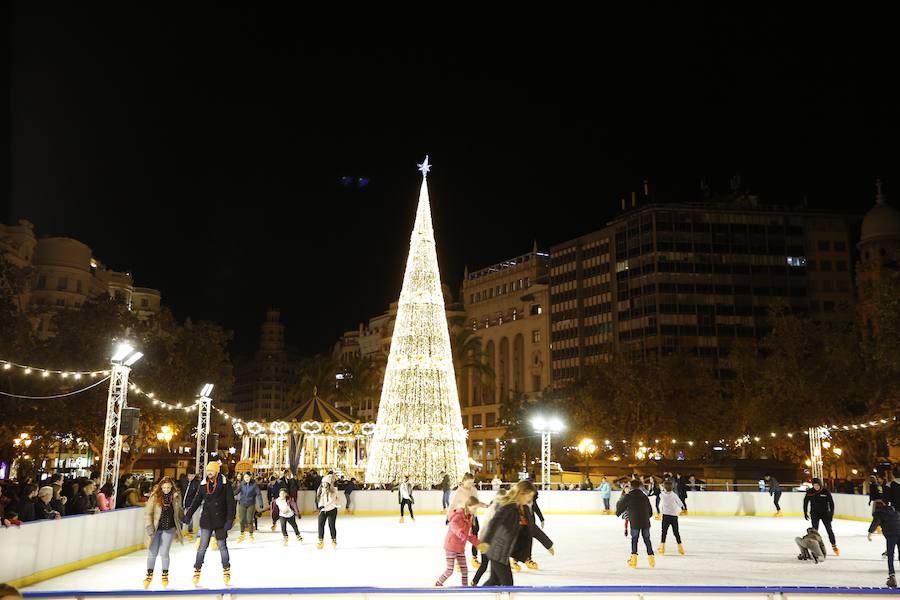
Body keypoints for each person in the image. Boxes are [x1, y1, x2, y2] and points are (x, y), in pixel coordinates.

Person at [183, 462, 235, 586]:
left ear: (217, 471)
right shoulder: (203, 484)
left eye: (211, 471)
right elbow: (196, 501)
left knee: (222, 546)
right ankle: (197, 570)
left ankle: (226, 570)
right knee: (202, 547)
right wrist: (188, 515)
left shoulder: (225, 484)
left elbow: (231, 503)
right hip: (206, 520)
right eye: (208, 471)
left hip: (220, 521)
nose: (209, 473)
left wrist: (229, 520)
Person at [480, 480, 538, 586]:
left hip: (503, 552)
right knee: (508, 585)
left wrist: (547, 543)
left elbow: (532, 529)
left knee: (494, 580)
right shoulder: (509, 507)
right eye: (529, 496)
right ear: (522, 493)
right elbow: (494, 523)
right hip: (498, 551)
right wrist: (485, 542)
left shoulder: (520, 508)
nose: (530, 499)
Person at [435, 496, 488, 587]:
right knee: (450, 570)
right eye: (474, 508)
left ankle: (465, 587)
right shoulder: (458, 515)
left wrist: (479, 544)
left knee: (464, 570)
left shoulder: (470, 517)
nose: (475, 510)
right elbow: (453, 525)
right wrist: (460, 533)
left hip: (460, 547)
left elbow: (470, 535)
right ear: (469, 506)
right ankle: (438, 584)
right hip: (451, 546)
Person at [143, 477, 183, 589]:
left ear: (172, 487)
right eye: (164, 487)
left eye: (168, 488)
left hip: (169, 528)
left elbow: (178, 511)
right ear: (160, 487)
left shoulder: (175, 497)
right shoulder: (155, 497)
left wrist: (180, 524)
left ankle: (165, 575)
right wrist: (149, 526)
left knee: (164, 552)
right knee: (152, 552)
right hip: (155, 529)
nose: (166, 489)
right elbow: (148, 513)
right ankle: (149, 575)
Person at [449, 473, 488, 567]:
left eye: (472, 482)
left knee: (474, 536)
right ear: (463, 481)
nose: (471, 484)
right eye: (469, 482)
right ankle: (458, 561)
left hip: (473, 517)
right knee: (461, 539)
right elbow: (452, 505)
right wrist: (449, 517)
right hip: (463, 518)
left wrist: (485, 505)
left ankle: (474, 558)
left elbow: (476, 502)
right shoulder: (459, 492)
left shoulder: (473, 489)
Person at [509, 490, 554, 572]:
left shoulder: (529, 503)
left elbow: (536, 510)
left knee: (528, 542)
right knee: (519, 543)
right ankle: (515, 560)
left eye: (532, 497)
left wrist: (548, 545)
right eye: (529, 496)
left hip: (529, 524)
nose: (531, 499)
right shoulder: (513, 507)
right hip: (519, 527)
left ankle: (527, 559)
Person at [617, 478, 655, 568]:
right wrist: (646, 517)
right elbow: (650, 511)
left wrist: (618, 512)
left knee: (634, 539)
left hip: (635, 521)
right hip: (645, 522)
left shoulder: (629, 496)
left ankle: (633, 560)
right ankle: (651, 560)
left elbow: (621, 506)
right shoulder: (644, 496)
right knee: (647, 539)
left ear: (631, 486)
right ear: (639, 486)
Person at [471, 490, 506, 586]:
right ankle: (475, 583)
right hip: (487, 541)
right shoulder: (494, 509)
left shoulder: (496, 508)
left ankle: (474, 582)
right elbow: (486, 526)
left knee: (487, 566)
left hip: (489, 541)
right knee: (486, 566)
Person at [869, 499, 900, 588]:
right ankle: (892, 577)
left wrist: (869, 533)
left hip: (891, 536)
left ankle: (892, 577)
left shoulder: (880, 513)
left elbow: (875, 523)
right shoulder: (895, 511)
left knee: (890, 555)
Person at [804, 477, 839, 556]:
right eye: (814, 485)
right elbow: (805, 502)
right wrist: (805, 513)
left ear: (820, 485)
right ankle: (816, 548)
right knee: (815, 532)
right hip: (814, 514)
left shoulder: (825, 491)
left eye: (817, 485)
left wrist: (831, 514)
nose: (816, 487)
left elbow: (831, 503)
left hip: (825, 514)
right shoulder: (810, 492)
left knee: (829, 530)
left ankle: (834, 546)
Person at [658, 480, 686, 555]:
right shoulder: (674, 495)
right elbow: (680, 503)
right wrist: (683, 509)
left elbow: (661, 491)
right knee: (676, 532)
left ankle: (662, 547)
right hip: (674, 516)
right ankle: (680, 548)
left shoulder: (662, 495)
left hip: (666, 516)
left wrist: (662, 488)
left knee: (664, 532)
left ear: (664, 488)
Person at [234, 472, 264, 543]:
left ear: (250, 477)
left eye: (247, 477)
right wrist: (229, 495)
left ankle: (251, 534)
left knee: (249, 520)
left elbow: (258, 494)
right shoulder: (242, 484)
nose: (246, 479)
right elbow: (237, 491)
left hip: (251, 504)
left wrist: (261, 503)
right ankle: (242, 534)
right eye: (245, 477)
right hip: (242, 504)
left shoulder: (254, 485)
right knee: (241, 520)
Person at [316, 473, 340, 549]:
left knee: (331, 525)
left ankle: (334, 540)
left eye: (326, 483)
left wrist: (327, 493)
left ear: (329, 484)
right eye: (323, 483)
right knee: (320, 525)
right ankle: (321, 541)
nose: (324, 485)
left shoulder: (334, 490)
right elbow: (318, 500)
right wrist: (320, 507)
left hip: (332, 509)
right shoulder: (319, 489)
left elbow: (331, 500)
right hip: (322, 509)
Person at [181, 473, 200, 541]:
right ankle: (184, 531)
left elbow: (198, 494)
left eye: (193, 475)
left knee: (195, 519)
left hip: (194, 505)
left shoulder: (196, 483)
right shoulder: (184, 482)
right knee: (186, 517)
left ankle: (196, 532)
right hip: (186, 504)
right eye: (189, 475)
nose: (191, 477)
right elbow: (182, 492)